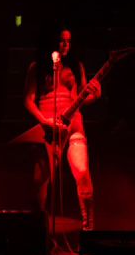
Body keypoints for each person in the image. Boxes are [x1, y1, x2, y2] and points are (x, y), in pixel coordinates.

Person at [23, 28, 103, 230]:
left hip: (73, 124)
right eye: (61, 40)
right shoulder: (37, 67)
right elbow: (28, 100)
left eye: (69, 41)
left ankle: (89, 228)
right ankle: (40, 231)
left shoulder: (76, 66)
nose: (66, 45)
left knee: (82, 171)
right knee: (40, 180)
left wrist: (96, 94)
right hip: (48, 127)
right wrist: (43, 121)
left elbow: (83, 97)